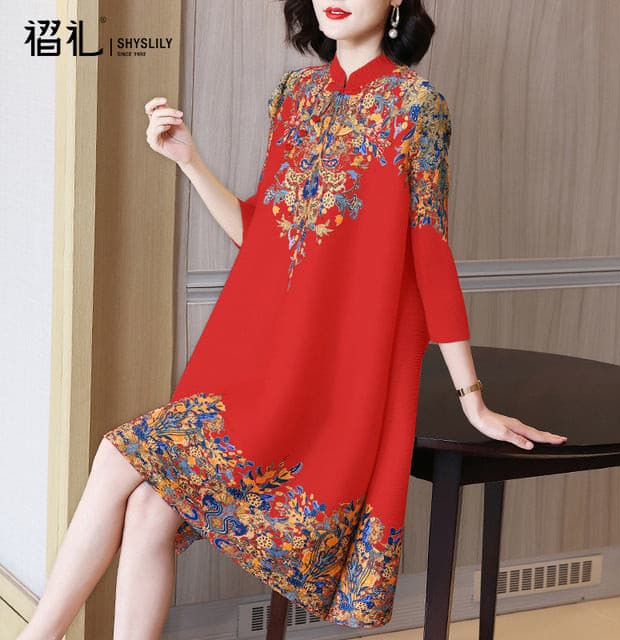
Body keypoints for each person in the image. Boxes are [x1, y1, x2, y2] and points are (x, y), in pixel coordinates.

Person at [17, 1, 569, 638]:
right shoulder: (295, 95)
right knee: (147, 508)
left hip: (328, 384)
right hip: (263, 362)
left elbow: (431, 255)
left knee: (119, 454)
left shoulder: (417, 108)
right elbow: (263, 237)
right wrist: (190, 160)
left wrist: (473, 398)